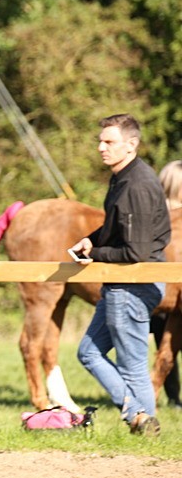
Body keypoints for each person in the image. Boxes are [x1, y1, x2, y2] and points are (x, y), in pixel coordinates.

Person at [70, 114, 172, 436]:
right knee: (88, 352)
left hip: (132, 285)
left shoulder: (137, 185)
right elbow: (118, 229)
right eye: (100, 141)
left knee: (132, 364)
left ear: (131, 145)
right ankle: (140, 417)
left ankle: (142, 423)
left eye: (109, 142)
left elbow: (136, 252)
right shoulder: (123, 177)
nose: (101, 147)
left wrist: (95, 255)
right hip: (121, 284)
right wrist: (94, 239)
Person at [151, 160, 182, 409]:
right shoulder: (163, 216)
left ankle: (170, 395)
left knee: (167, 343)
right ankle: (168, 395)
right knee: (168, 342)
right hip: (160, 293)